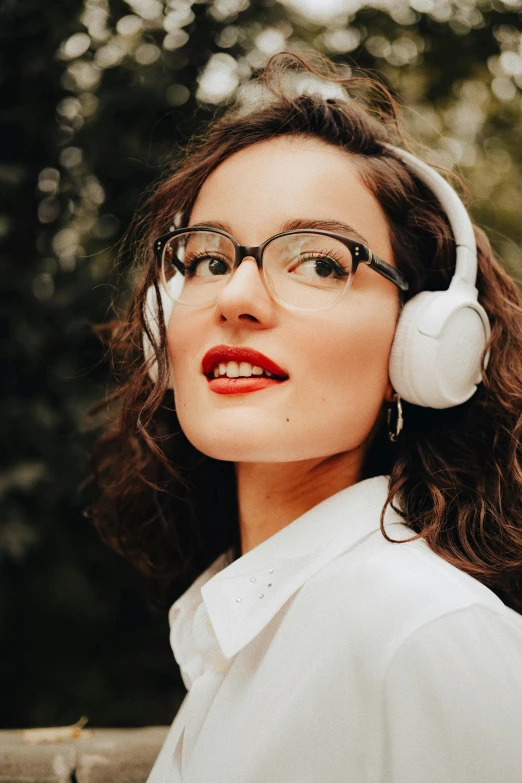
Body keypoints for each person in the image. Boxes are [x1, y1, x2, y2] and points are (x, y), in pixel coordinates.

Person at [91, 52, 522, 782]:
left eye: (320, 262)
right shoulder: (241, 636)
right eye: (207, 258)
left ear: (420, 342)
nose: (237, 296)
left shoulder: (425, 636)